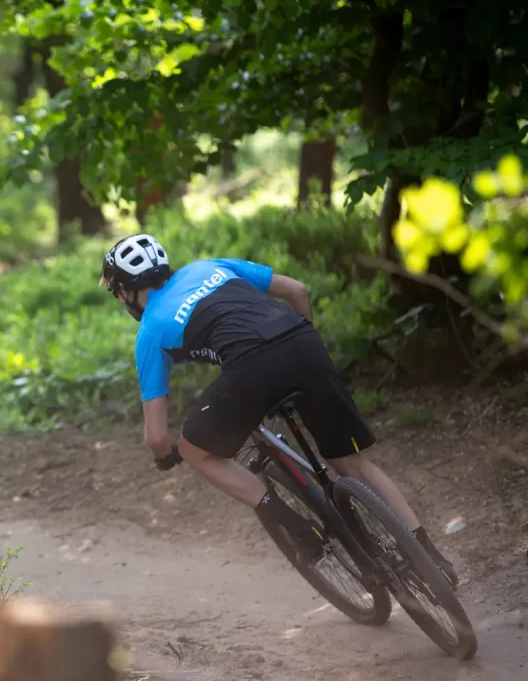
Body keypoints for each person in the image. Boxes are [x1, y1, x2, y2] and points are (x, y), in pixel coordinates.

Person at [98, 233, 458, 588]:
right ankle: (429, 556)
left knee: (194, 450)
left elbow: (156, 436)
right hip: (301, 341)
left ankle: (299, 528)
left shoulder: (149, 331)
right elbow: (297, 290)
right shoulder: (209, 266)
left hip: (250, 367)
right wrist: (306, 347)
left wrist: (165, 456)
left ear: (126, 292)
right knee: (353, 463)